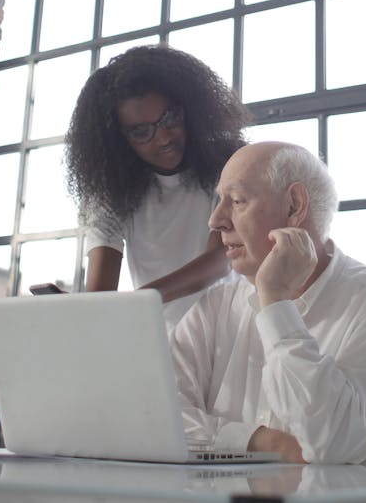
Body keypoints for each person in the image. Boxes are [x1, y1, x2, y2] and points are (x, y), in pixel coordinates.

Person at [170, 141, 366, 467]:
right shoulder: (215, 307)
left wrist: (275, 303)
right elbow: (154, 413)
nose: (216, 220)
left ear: (295, 206)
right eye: (219, 201)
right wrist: (259, 441)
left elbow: (330, 442)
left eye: (237, 201)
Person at [64, 45, 249, 326]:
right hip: (162, 342)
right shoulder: (110, 191)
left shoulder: (229, 165)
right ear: (119, 138)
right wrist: (91, 313)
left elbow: (220, 261)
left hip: (232, 333)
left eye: (169, 119)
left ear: (188, 108)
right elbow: (100, 290)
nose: (163, 138)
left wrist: (140, 300)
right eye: (142, 132)